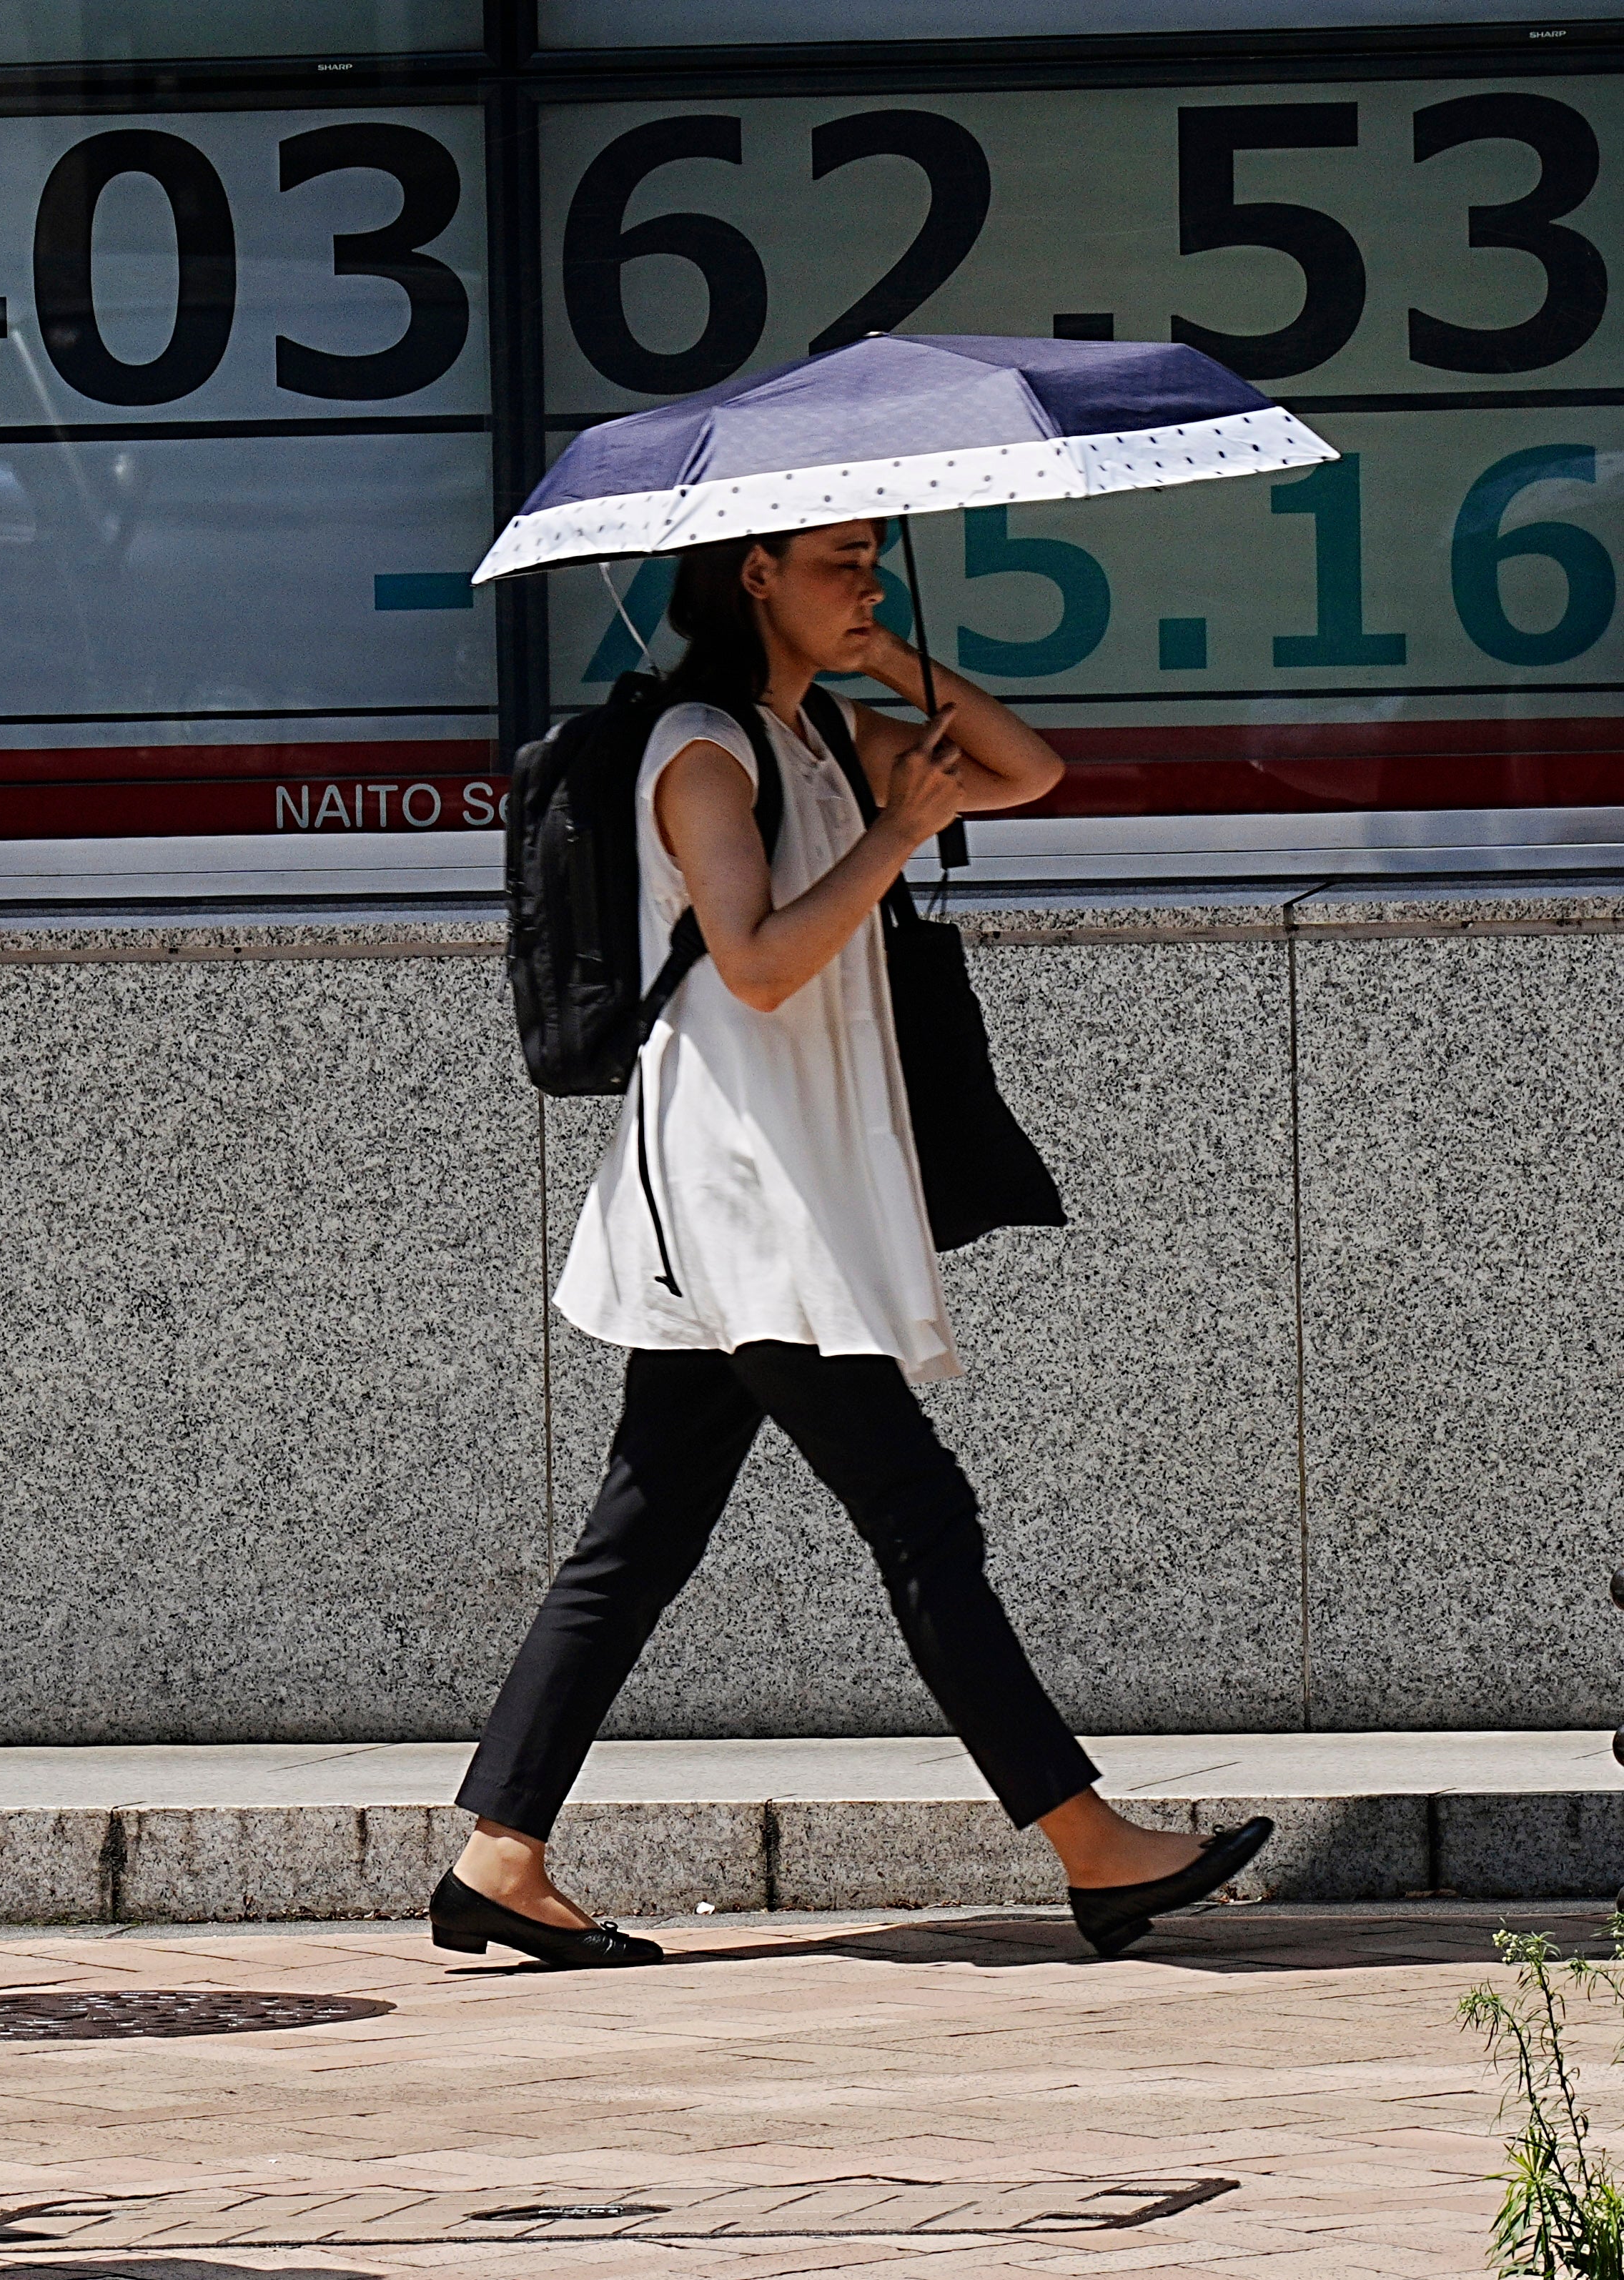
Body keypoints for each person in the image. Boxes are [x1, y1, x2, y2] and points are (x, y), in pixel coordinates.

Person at [435, 521, 1272, 1969]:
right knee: (915, 1511)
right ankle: (1088, 1844)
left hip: (779, 1186)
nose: (868, 576)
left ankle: (497, 1854)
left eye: (875, 557)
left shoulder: (812, 725)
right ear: (753, 572)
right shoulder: (702, 750)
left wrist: (883, 654)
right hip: (741, 1198)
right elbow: (752, 963)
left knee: (639, 1532)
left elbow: (1024, 771)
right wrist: (891, 832)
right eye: (840, 560)